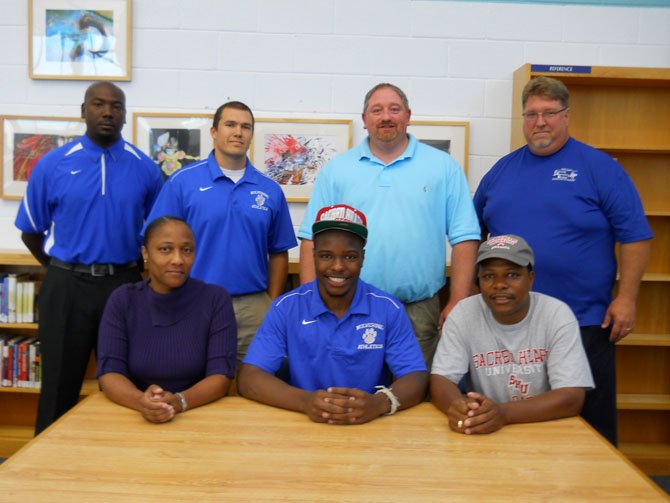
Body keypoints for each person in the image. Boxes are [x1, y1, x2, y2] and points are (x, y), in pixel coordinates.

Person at [473, 76, 653, 445]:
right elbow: (472, 236)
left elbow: (635, 235)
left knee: (591, 428)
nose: (540, 122)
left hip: (584, 322)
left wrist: (627, 298)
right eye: (532, 114)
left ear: (567, 116)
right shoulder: (500, 172)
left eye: (550, 113)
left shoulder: (600, 168)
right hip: (512, 325)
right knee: (517, 420)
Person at [14, 82, 163, 434]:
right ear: (84, 111)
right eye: (98, 104)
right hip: (67, 286)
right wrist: (59, 270)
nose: (108, 112)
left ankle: (122, 463)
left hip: (124, 285)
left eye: (116, 106)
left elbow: (158, 233)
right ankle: (47, 468)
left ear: (125, 115)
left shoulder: (146, 168)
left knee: (128, 382)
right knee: (58, 385)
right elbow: (30, 231)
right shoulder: (52, 165)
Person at [298, 83, 480, 369]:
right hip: (347, 307)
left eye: (394, 109)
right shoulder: (338, 169)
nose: (386, 116)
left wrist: (458, 299)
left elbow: (466, 237)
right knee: (351, 389)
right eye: (377, 110)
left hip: (418, 309)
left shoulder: (443, 167)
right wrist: (309, 300)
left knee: (415, 392)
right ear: (364, 119)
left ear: (408, 116)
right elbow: (311, 237)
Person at [239, 204, 427, 424]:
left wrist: (379, 403)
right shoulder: (286, 307)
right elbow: (250, 377)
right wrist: (305, 402)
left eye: (349, 257)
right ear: (314, 255)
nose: (337, 267)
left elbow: (417, 377)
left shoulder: (388, 308)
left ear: (363, 258)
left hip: (370, 425)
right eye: (327, 256)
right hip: (303, 424)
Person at [145, 101, 297, 367]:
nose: (238, 132)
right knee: (190, 378)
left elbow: (278, 252)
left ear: (251, 134)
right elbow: (157, 243)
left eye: (245, 127)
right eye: (230, 125)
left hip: (253, 306)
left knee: (256, 385)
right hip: (193, 302)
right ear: (214, 132)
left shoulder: (270, 189)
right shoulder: (183, 182)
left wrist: (271, 303)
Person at [431, 235, 594, 434]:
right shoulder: (463, 313)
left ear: (530, 279)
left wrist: (503, 413)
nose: (500, 284)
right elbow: (441, 380)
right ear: (478, 281)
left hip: (546, 425)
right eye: (489, 276)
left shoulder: (556, 314)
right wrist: (458, 407)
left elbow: (572, 397)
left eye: (512, 275)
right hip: (485, 428)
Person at [97, 217, 237, 423]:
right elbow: (110, 373)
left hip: (198, 413)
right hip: (132, 414)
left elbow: (221, 376)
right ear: (145, 253)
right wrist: (142, 402)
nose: (178, 259)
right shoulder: (123, 299)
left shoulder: (215, 299)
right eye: (165, 249)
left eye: (187, 250)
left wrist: (179, 401)